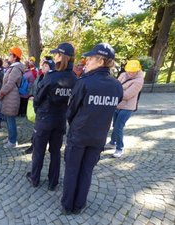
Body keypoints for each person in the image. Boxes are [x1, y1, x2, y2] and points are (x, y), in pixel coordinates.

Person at [61, 43, 123, 215]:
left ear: (101, 60)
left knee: (73, 170)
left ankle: (68, 205)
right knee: (87, 171)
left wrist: (74, 126)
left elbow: (71, 111)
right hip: (99, 136)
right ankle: (79, 205)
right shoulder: (117, 85)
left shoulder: (84, 82)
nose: (86, 61)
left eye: (90, 58)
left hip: (79, 135)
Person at [26, 42, 77, 191]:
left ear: (61, 57)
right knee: (55, 152)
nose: (54, 57)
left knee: (39, 151)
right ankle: (53, 182)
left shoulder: (51, 77)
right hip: (60, 119)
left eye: (56, 54)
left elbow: (38, 98)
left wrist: (37, 110)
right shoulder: (74, 78)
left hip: (45, 119)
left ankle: (35, 178)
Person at [104, 59, 144, 158]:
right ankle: (112, 142)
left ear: (138, 70)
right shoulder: (123, 75)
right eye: (129, 70)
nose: (130, 73)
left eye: (133, 71)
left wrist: (116, 90)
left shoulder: (139, 81)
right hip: (117, 104)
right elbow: (116, 86)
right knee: (115, 125)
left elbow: (127, 95)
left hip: (127, 107)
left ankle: (119, 148)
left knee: (118, 127)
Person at [24, 58, 55, 155]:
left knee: (40, 131)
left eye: (46, 66)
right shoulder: (40, 77)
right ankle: (33, 145)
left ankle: (39, 146)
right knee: (36, 129)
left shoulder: (52, 79)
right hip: (38, 107)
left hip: (46, 109)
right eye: (43, 65)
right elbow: (34, 88)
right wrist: (32, 96)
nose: (43, 67)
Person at [0, 47, 24, 149]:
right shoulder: (13, 67)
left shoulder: (16, 69)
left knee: (11, 119)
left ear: (15, 57)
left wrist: (1, 94)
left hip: (11, 97)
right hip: (9, 97)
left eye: (10, 54)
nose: (8, 56)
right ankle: (10, 137)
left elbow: (9, 84)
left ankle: (13, 141)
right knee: (8, 119)